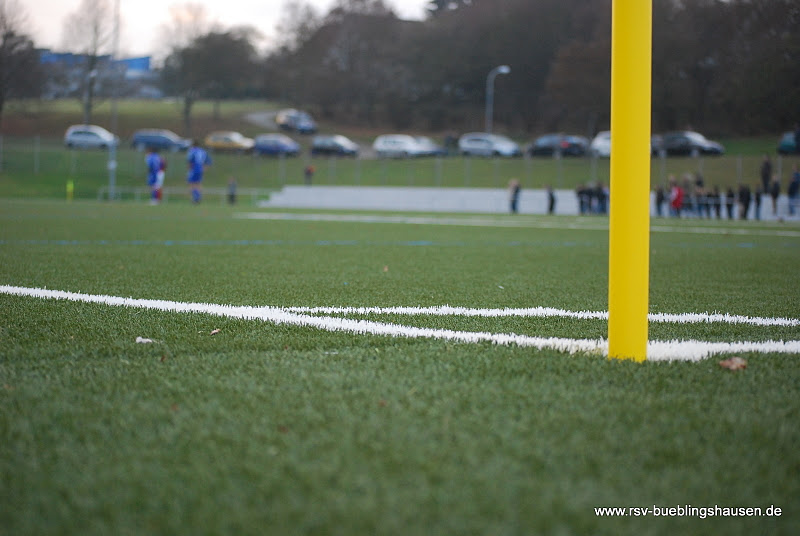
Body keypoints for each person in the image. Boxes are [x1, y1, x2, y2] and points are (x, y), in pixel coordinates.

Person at [186, 140, 211, 204]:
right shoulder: (203, 151)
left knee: (192, 184)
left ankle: (194, 199)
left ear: (193, 145)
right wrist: (204, 168)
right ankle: (199, 198)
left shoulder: (192, 151)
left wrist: (189, 169)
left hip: (194, 169)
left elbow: (189, 161)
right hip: (200, 169)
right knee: (198, 184)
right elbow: (208, 161)